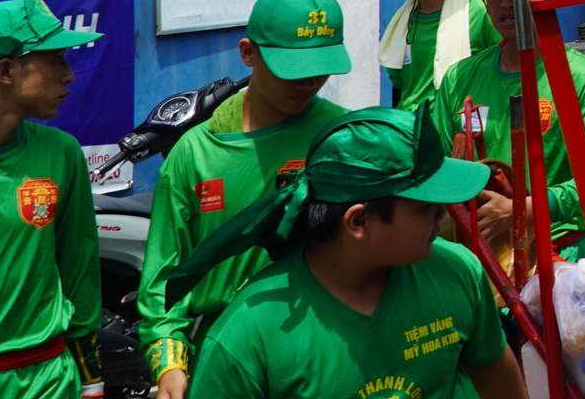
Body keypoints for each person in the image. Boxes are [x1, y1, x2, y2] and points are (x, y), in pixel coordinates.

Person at [174, 109, 519, 399]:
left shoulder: (457, 272)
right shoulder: (248, 335)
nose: (443, 214)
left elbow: (497, 380)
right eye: (426, 207)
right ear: (358, 221)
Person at [139, 0, 354, 398]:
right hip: (221, 356)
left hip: (322, 348)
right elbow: (163, 279)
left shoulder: (343, 138)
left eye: (320, 66)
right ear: (248, 53)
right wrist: (169, 366)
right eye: (291, 67)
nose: (309, 81)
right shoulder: (195, 153)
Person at [426, 0, 585, 255]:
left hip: (557, 256)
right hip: (475, 259)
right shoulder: (459, 78)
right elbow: (435, 169)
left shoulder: (581, 77)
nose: (506, 3)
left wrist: (526, 209)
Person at [0, 0, 103, 399]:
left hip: (48, 380)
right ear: (6, 72)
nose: (69, 74)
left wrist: (91, 380)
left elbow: (79, 272)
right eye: (54, 61)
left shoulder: (61, 153)